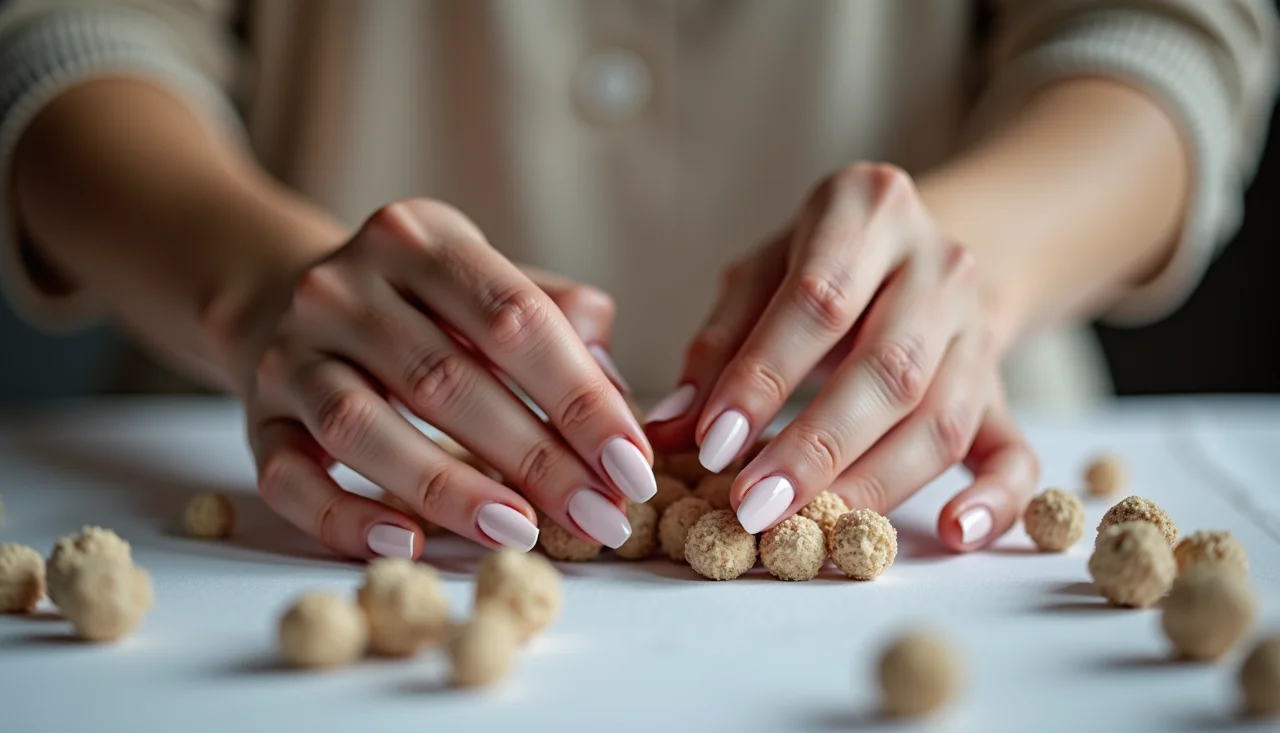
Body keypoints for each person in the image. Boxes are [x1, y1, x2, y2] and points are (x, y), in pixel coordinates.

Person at [1, 1, 1275, 562]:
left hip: (938, 459)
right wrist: (249, 283)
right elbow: (62, 28)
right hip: (275, 477)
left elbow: (1169, 29)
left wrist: (975, 271)